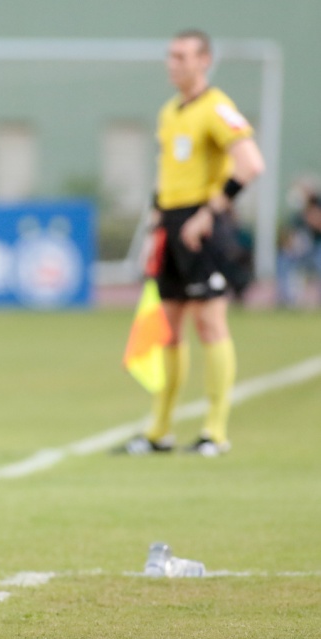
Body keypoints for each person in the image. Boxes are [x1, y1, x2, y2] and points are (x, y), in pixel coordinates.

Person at [118, 29, 265, 457]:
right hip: (172, 224)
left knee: (210, 324)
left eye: (182, 56)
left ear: (204, 61)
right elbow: (167, 176)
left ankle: (214, 432)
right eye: (170, 55)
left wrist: (209, 212)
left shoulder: (217, 108)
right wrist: (155, 225)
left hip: (204, 225)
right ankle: (159, 430)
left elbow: (250, 164)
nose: (173, 63)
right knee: (168, 329)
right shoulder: (169, 112)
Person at [276, 183, 321, 308]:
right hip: (304, 252)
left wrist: (313, 219)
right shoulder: (297, 216)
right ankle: (288, 301)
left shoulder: (317, 206)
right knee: (283, 260)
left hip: (318, 249)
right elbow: (289, 237)